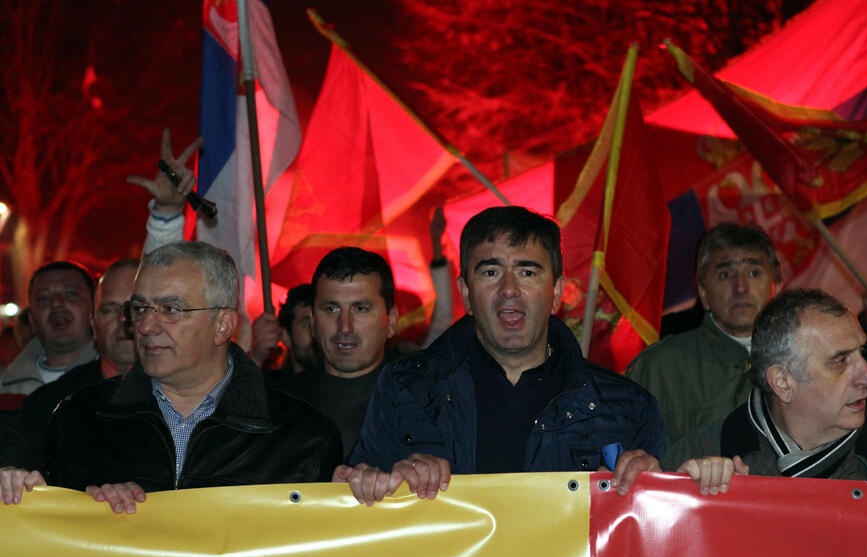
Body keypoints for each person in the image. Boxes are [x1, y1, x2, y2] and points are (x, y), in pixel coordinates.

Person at [337, 206, 662, 506]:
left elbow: (653, 534)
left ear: (557, 293)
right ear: (466, 293)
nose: (509, 289)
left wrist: (658, 487)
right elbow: (356, 508)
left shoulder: (627, 407)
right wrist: (374, 481)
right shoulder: (405, 387)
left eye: (527, 273)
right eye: (491, 273)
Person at [0, 241, 342, 513]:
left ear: (223, 324)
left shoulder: (303, 437)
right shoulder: (79, 419)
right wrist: (85, 511)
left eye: (170, 310)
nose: (146, 326)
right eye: (140, 309)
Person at [664, 289, 867, 509]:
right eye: (840, 361)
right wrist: (683, 500)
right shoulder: (695, 462)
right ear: (783, 383)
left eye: (861, 354)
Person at [627, 223, 780, 452]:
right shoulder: (657, 369)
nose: (740, 287)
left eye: (753, 273)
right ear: (703, 293)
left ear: (773, 286)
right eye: (725, 274)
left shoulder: (809, 362)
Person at [272, 248, 398, 458]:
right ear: (313, 321)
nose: (345, 327)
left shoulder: (427, 401)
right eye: (331, 309)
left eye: (361, 308)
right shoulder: (277, 407)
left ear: (392, 320)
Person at [15, 259, 140, 466]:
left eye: (136, 308)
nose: (123, 319)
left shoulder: (192, 396)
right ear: (93, 325)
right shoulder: (52, 404)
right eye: (109, 309)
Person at [0, 261, 99, 399]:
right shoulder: (6, 389)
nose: (56, 303)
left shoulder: (121, 379)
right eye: (44, 298)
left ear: (95, 309)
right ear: (32, 319)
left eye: (71, 294)